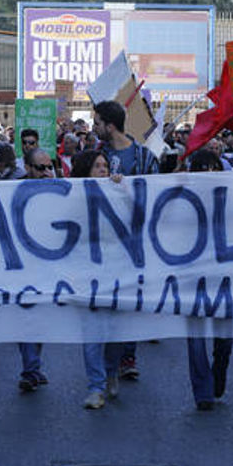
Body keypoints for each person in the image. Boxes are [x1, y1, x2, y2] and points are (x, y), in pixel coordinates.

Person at [93, 100, 158, 380]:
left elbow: (155, 196)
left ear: (109, 126)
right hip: (104, 242)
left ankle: (128, 355)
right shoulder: (97, 156)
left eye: (97, 123)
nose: (94, 128)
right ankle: (109, 354)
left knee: (131, 298)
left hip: (135, 241)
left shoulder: (145, 158)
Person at [69, 149, 124, 408]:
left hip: (116, 276)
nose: (104, 170)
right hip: (86, 276)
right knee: (92, 334)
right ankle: (95, 387)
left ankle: (112, 371)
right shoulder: (73, 199)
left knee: (114, 334)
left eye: (105, 166)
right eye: (97, 167)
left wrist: (121, 192)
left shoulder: (119, 195)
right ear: (85, 172)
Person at [185, 149, 233, 411]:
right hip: (192, 277)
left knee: (224, 338)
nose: (208, 173)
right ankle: (202, 391)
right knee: (195, 337)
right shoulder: (181, 198)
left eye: (213, 168)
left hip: (226, 277)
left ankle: (220, 369)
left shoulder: (231, 196)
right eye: (202, 168)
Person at [13, 148, 57, 393]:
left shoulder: (58, 187)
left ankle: (34, 366)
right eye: (40, 168)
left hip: (48, 267)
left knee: (40, 319)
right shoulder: (12, 191)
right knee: (27, 316)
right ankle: (30, 369)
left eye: (49, 167)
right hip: (22, 267)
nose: (46, 172)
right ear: (28, 169)